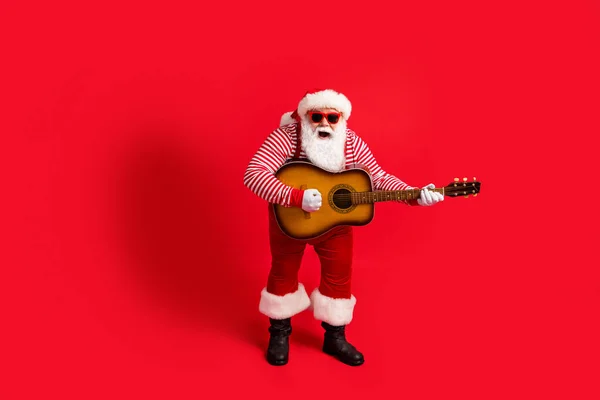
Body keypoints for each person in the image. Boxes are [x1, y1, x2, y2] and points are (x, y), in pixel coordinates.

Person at [243, 89, 444, 366]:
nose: (324, 124)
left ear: (342, 119)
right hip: (289, 222)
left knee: (339, 278)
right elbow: (254, 173)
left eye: (332, 118)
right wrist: (296, 197)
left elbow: (379, 177)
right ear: (304, 117)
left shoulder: (351, 142)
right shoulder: (287, 137)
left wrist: (414, 194)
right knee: (282, 273)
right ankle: (279, 334)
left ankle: (334, 338)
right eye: (317, 116)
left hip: (335, 227)